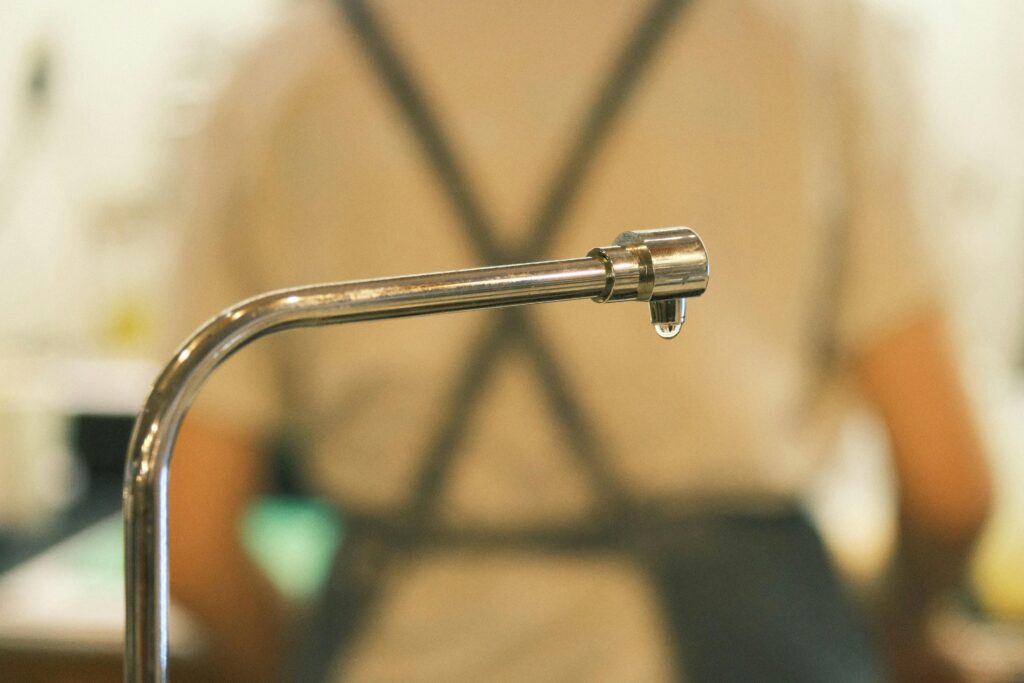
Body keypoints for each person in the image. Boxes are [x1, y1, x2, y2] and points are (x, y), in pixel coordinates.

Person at [166, 0, 991, 681]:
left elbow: (189, 536)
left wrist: (288, 658)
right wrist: (899, 631)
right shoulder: (805, 31)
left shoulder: (287, 68)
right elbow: (950, 487)